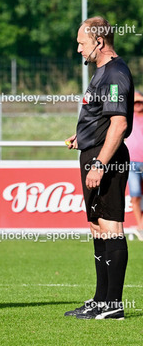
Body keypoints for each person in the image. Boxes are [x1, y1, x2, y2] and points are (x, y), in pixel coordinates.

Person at [65, 16, 133, 320]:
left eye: (82, 42)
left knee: (111, 226)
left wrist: (100, 163)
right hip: (93, 152)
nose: (79, 49)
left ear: (99, 41)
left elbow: (119, 123)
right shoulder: (101, 73)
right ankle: (100, 299)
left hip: (107, 159)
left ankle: (113, 305)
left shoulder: (116, 74)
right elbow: (103, 117)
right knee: (97, 226)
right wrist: (82, 137)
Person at [126, 91, 143, 240]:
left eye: (140, 102)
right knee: (135, 194)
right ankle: (141, 226)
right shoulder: (127, 117)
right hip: (132, 163)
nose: (137, 104)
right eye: (134, 102)